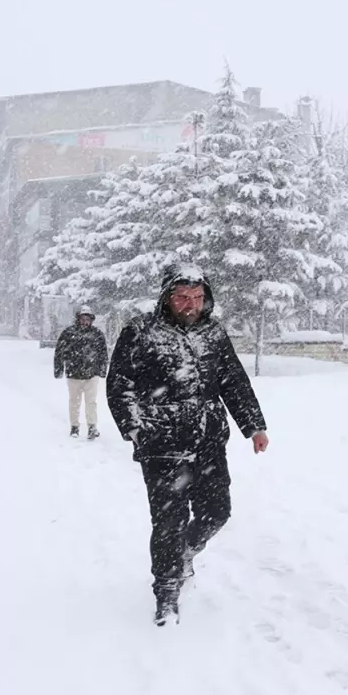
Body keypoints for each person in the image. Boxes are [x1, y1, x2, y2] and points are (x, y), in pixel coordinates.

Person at [106, 264, 268, 626]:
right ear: (167, 296)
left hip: (209, 441)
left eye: (197, 297)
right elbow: (120, 385)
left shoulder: (213, 332)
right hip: (162, 445)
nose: (190, 304)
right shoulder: (141, 331)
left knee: (218, 512)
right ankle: (166, 593)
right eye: (182, 297)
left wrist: (253, 425)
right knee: (169, 522)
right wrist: (135, 429)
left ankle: (185, 554)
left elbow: (234, 381)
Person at [53, 305, 108, 440]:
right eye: (82, 319)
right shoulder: (68, 333)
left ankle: (92, 427)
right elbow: (59, 352)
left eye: (87, 319)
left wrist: (102, 370)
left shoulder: (97, 334)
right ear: (78, 319)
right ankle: (74, 427)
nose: (85, 321)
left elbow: (103, 354)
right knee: (74, 402)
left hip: (91, 374)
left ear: (91, 320)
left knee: (91, 402)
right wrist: (58, 370)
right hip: (74, 375)